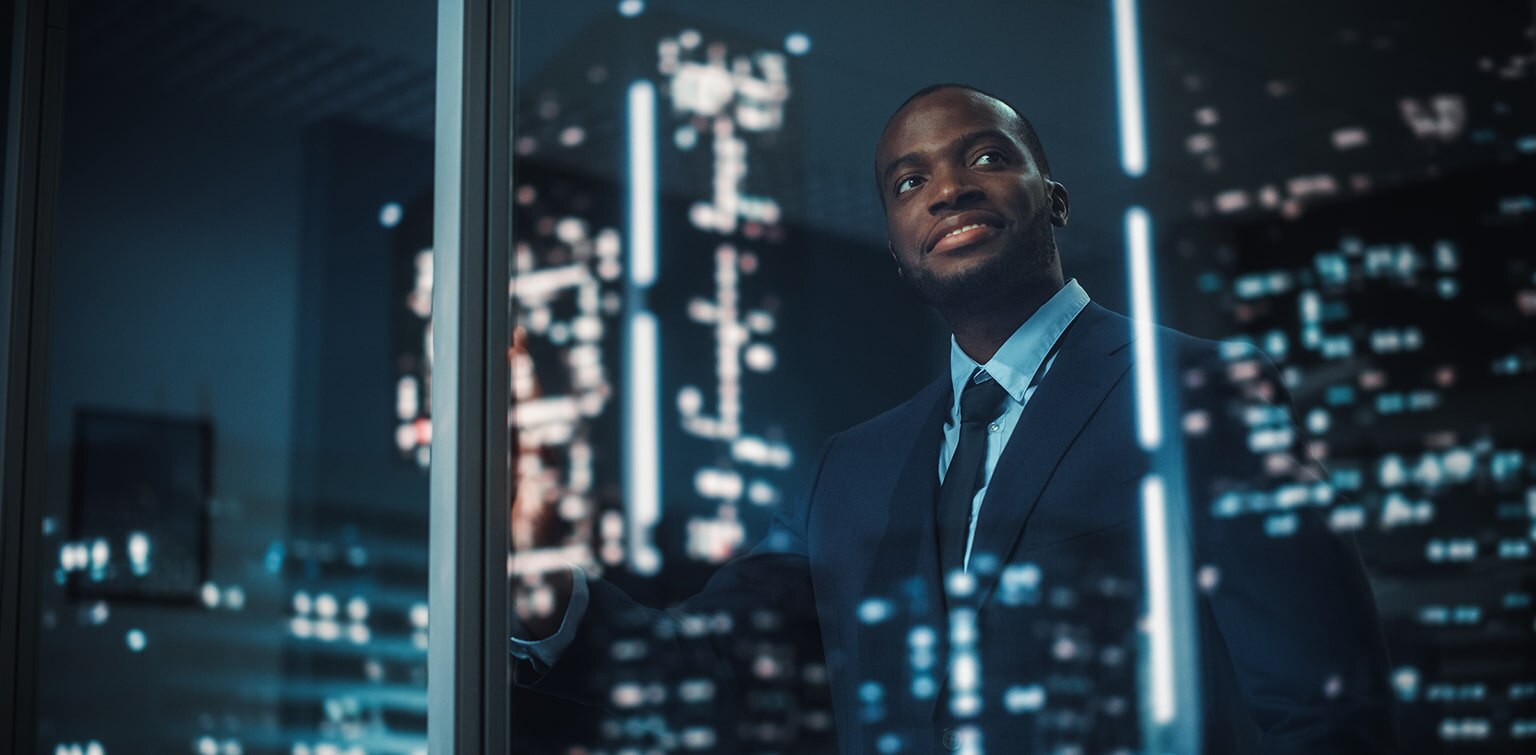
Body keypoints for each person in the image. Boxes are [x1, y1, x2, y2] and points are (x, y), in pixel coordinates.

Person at [509, 84, 1397, 754]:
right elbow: (704, 670)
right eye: (909, 180)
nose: (946, 190)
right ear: (897, 247)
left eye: (984, 158)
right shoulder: (844, 473)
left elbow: (1325, 703)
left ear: (1052, 196)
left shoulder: (1201, 391)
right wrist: (545, 575)